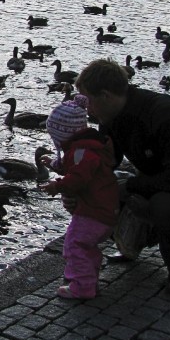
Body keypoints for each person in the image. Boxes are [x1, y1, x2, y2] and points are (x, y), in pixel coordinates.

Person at [75, 59, 170, 294]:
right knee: (91, 188)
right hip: (152, 187)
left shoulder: (167, 116)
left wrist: (129, 187)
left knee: (163, 204)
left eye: (88, 101)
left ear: (106, 96)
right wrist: (78, 182)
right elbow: (106, 163)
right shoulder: (110, 117)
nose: (87, 109)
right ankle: (128, 243)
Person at [42, 94, 120, 299]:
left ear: (64, 134)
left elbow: (78, 178)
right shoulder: (86, 148)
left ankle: (82, 287)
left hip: (94, 210)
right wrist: (54, 164)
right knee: (87, 246)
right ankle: (88, 278)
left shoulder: (81, 152)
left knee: (74, 245)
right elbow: (76, 166)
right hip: (105, 207)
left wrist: (56, 186)